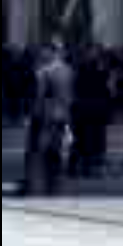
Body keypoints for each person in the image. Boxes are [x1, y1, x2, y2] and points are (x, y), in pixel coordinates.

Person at [23, 38, 74, 195]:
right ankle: (53, 184)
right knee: (55, 150)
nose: (42, 53)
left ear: (51, 51)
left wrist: (31, 114)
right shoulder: (68, 70)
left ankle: (30, 184)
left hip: (45, 115)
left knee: (35, 150)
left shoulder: (43, 71)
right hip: (61, 115)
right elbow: (70, 95)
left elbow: (39, 95)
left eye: (45, 50)